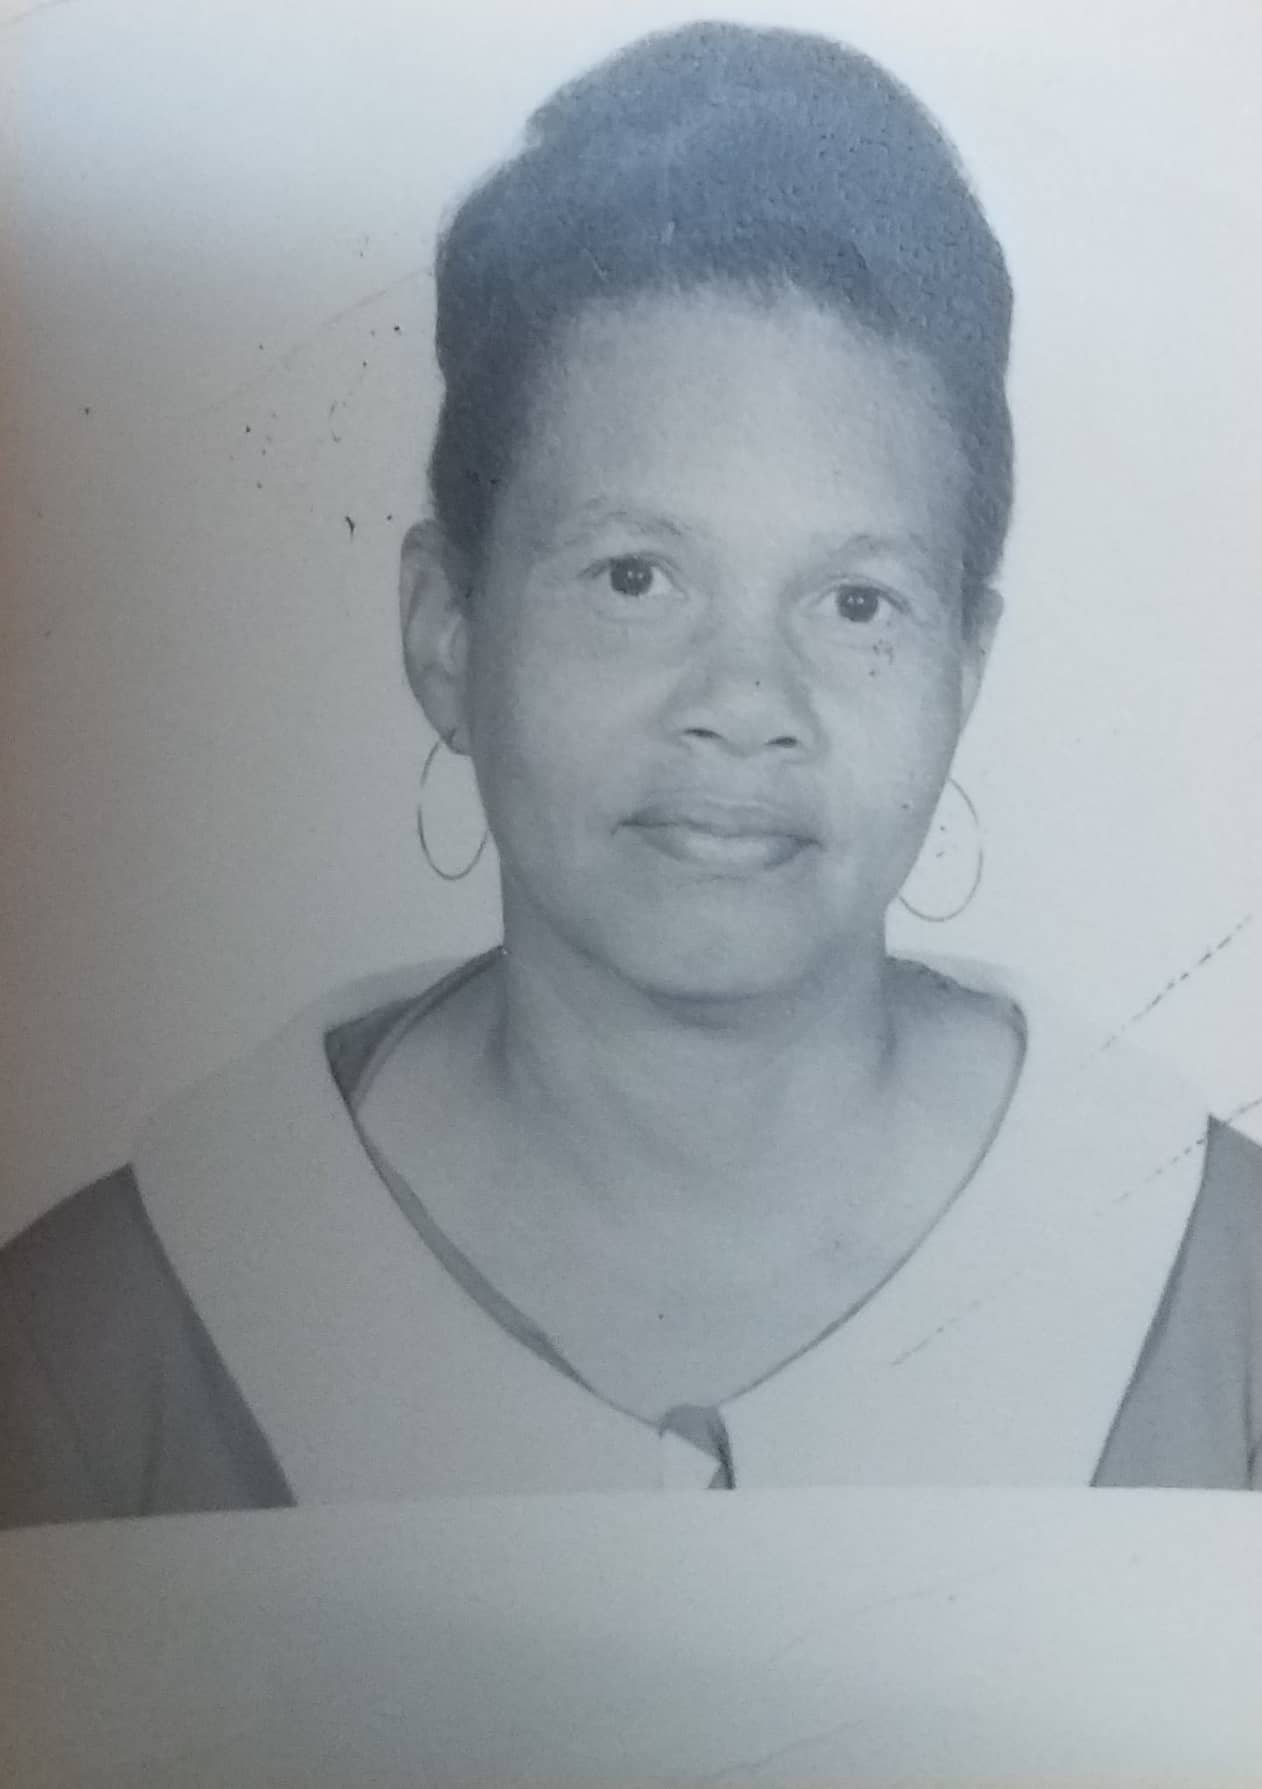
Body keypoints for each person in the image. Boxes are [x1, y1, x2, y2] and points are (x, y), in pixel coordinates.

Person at [2, 21, 1260, 1529]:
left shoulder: (1213, 1281)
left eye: (856, 602)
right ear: (445, 626)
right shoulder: (97, 1348)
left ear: (963, 669)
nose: (745, 705)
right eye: (633, 577)